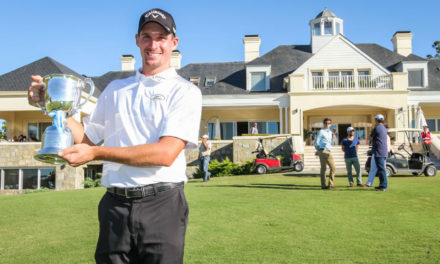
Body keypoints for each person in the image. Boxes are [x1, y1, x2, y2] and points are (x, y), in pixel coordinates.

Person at [28, 8, 202, 263]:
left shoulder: (185, 91)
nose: (153, 44)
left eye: (161, 37)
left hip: (162, 205)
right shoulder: (116, 89)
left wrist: (97, 153)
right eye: (146, 36)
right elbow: (87, 139)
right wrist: (53, 106)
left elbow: (165, 153)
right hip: (115, 205)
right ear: (137, 40)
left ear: (173, 43)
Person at [314, 118, 337, 189]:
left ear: (331, 124)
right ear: (324, 124)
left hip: (328, 151)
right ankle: (323, 185)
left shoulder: (330, 132)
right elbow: (316, 142)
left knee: (333, 168)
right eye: (326, 123)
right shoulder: (321, 131)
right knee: (324, 169)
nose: (327, 124)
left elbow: (330, 142)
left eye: (329, 123)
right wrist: (319, 150)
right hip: (323, 150)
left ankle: (330, 184)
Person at [369, 114, 388, 191]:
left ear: (376, 120)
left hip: (378, 152)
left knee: (381, 169)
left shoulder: (376, 128)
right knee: (382, 169)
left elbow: (370, 138)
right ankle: (382, 185)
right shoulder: (384, 128)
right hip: (383, 151)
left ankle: (383, 186)